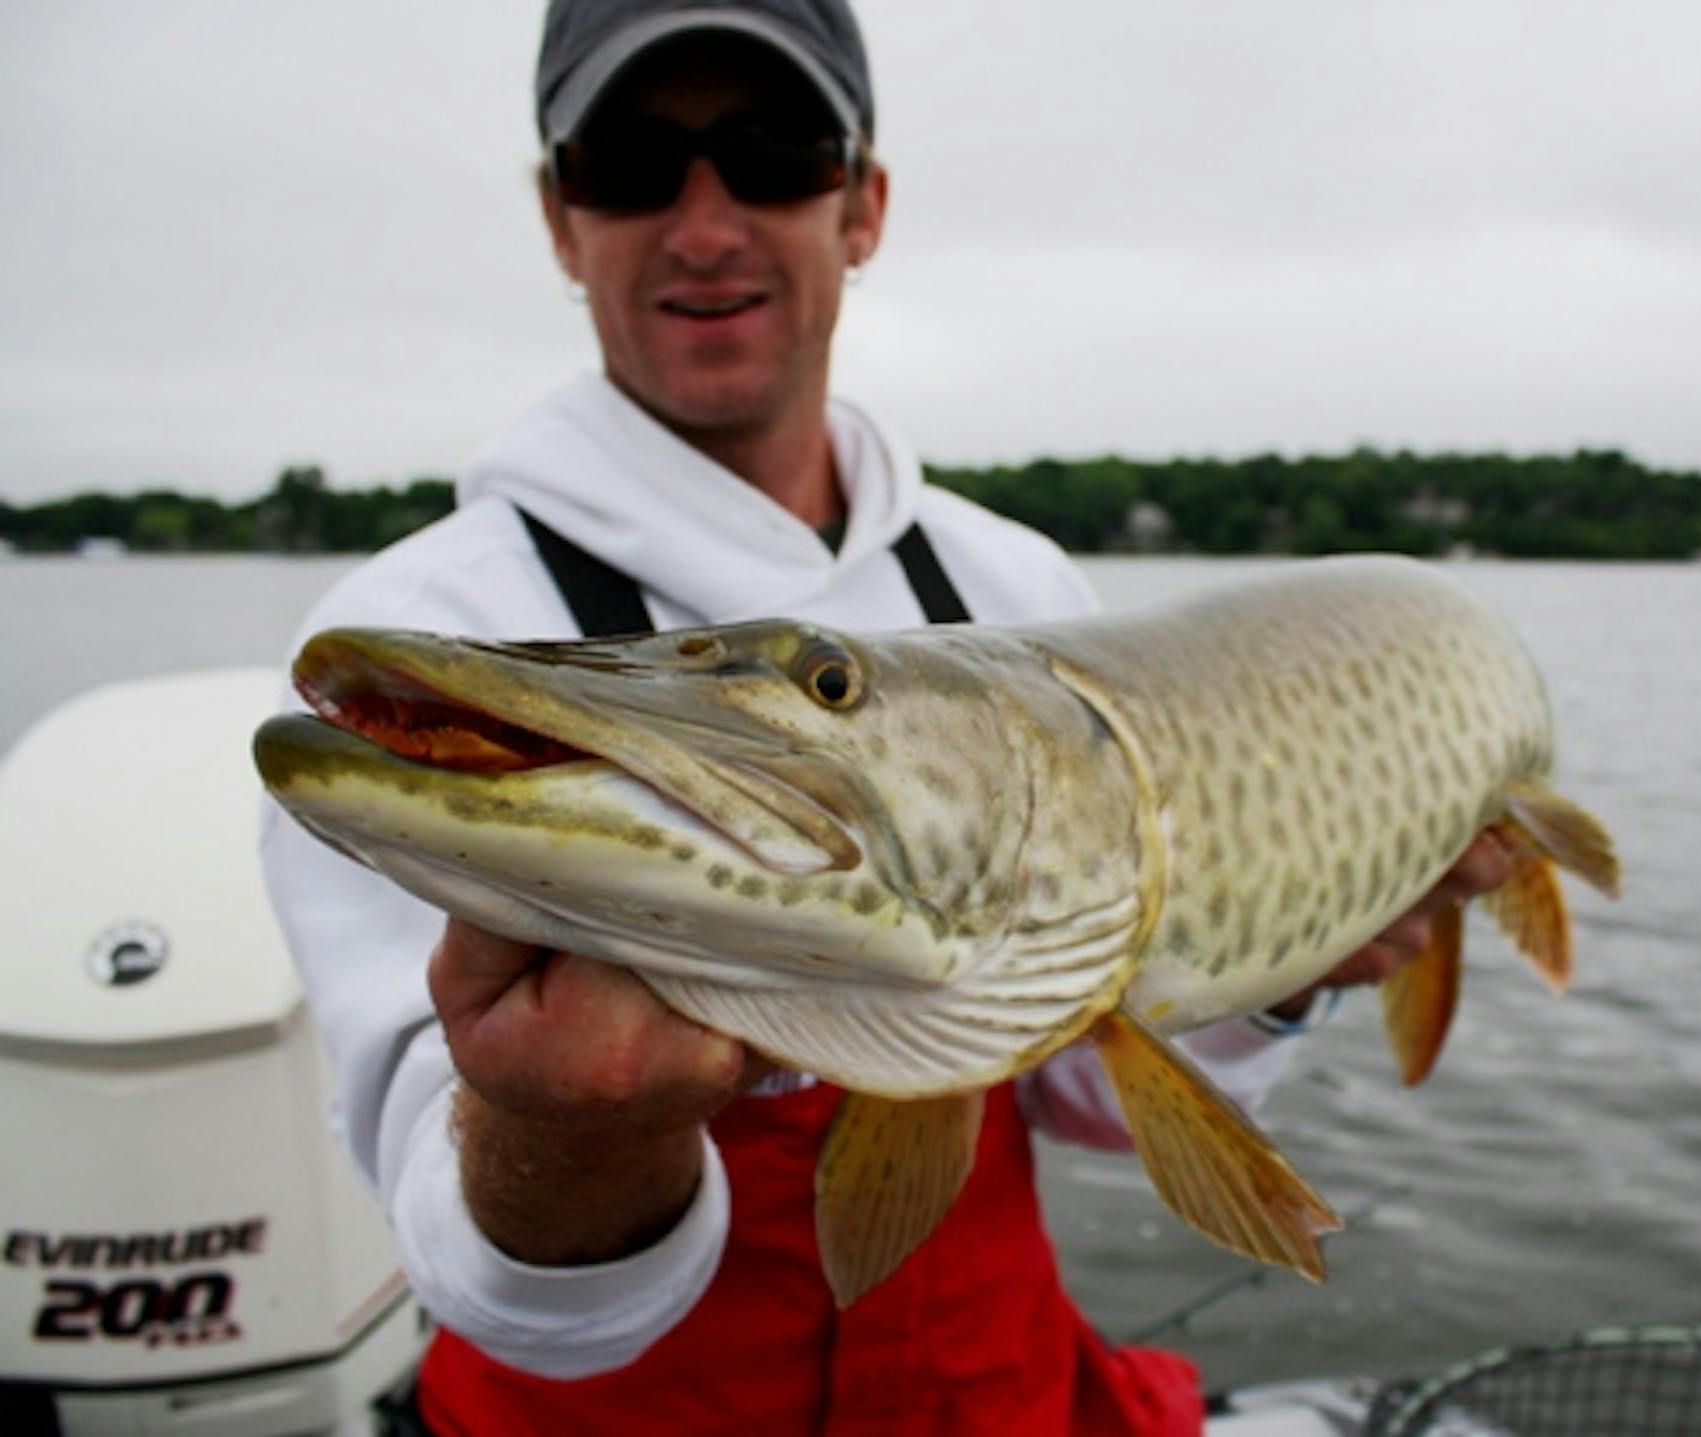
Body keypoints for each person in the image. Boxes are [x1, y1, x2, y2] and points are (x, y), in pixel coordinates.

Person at [260, 2, 1513, 1432]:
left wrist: (1288, 967)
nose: (706, 222)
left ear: (862, 203)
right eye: (631, 162)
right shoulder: (423, 628)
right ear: (560, 219)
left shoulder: (1011, 583)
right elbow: (500, 1290)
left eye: (772, 151)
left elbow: (1087, 1092)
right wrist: (559, 1126)